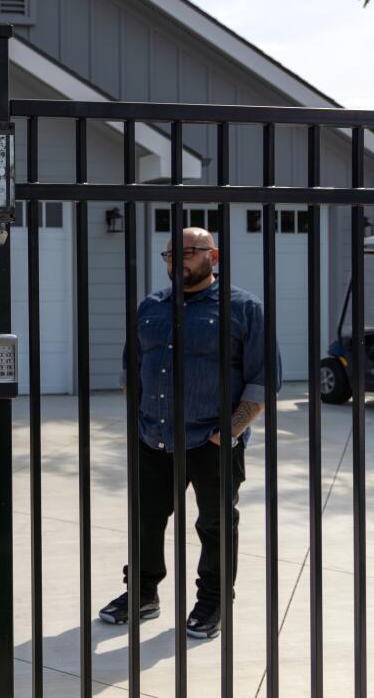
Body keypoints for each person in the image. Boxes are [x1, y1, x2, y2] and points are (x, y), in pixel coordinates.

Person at [99, 227, 279, 640]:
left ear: (213, 258)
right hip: (153, 438)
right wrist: (139, 418)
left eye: (187, 252)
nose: (175, 261)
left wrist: (228, 432)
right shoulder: (151, 306)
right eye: (168, 255)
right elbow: (134, 368)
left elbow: (264, 379)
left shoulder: (244, 309)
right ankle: (142, 593)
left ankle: (213, 602)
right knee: (145, 520)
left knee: (215, 525)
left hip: (212, 443)